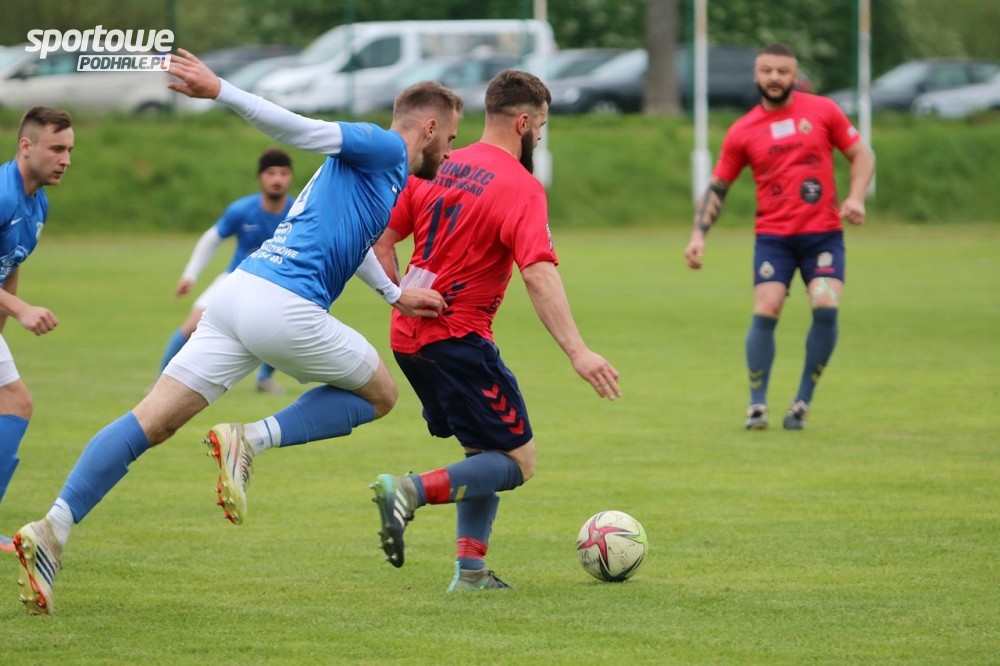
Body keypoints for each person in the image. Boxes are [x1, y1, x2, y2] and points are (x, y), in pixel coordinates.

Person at [13, 48, 459, 615]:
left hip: (238, 295)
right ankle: (250, 439)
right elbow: (302, 128)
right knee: (382, 395)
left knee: (150, 422)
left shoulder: (378, 174)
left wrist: (394, 294)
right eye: (451, 137)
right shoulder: (386, 146)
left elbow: (354, 238)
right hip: (285, 306)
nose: (450, 151)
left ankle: (52, 529)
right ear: (429, 127)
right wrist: (220, 89)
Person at [369, 69, 621, 592]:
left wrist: (398, 296)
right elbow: (538, 273)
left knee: (483, 451)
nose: (540, 137)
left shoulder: (440, 164)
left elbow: (381, 240)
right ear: (524, 123)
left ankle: (471, 572)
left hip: (408, 337)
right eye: (541, 127)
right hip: (458, 338)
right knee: (516, 461)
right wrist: (578, 351)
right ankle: (409, 491)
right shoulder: (521, 187)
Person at [683, 43, 875, 430]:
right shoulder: (743, 130)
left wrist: (856, 197)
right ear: (756, 75)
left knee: (825, 304)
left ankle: (802, 401)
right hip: (774, 239)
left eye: (782, 71)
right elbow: (719, 186)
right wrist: (698, 234)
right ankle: (757, 405)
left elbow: (862, 154)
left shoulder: (823, 110)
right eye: (767, 70)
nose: (774, 78)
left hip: (823, 236)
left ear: (794, 75)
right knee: (767, 307)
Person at [156, 147, 294, 394]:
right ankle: (160, 383)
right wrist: (190, 275)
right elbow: (211, 239)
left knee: (283, 328)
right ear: (260, 177)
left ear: (290, 178)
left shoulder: (297, 213)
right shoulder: (242, 210)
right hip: (234, 278)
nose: (277, 179)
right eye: (271, 173)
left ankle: (264, 379)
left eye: (283, 174)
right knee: (192, 326)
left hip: (275, 282)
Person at [0, 108, 72, 554]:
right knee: (15, 401)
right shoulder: (2, 194)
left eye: (69, 150)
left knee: (16, 403)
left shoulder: (37, 202)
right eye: (56, 149)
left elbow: (11, 263)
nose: (65, 160)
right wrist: (21, 309)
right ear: (26, 146)